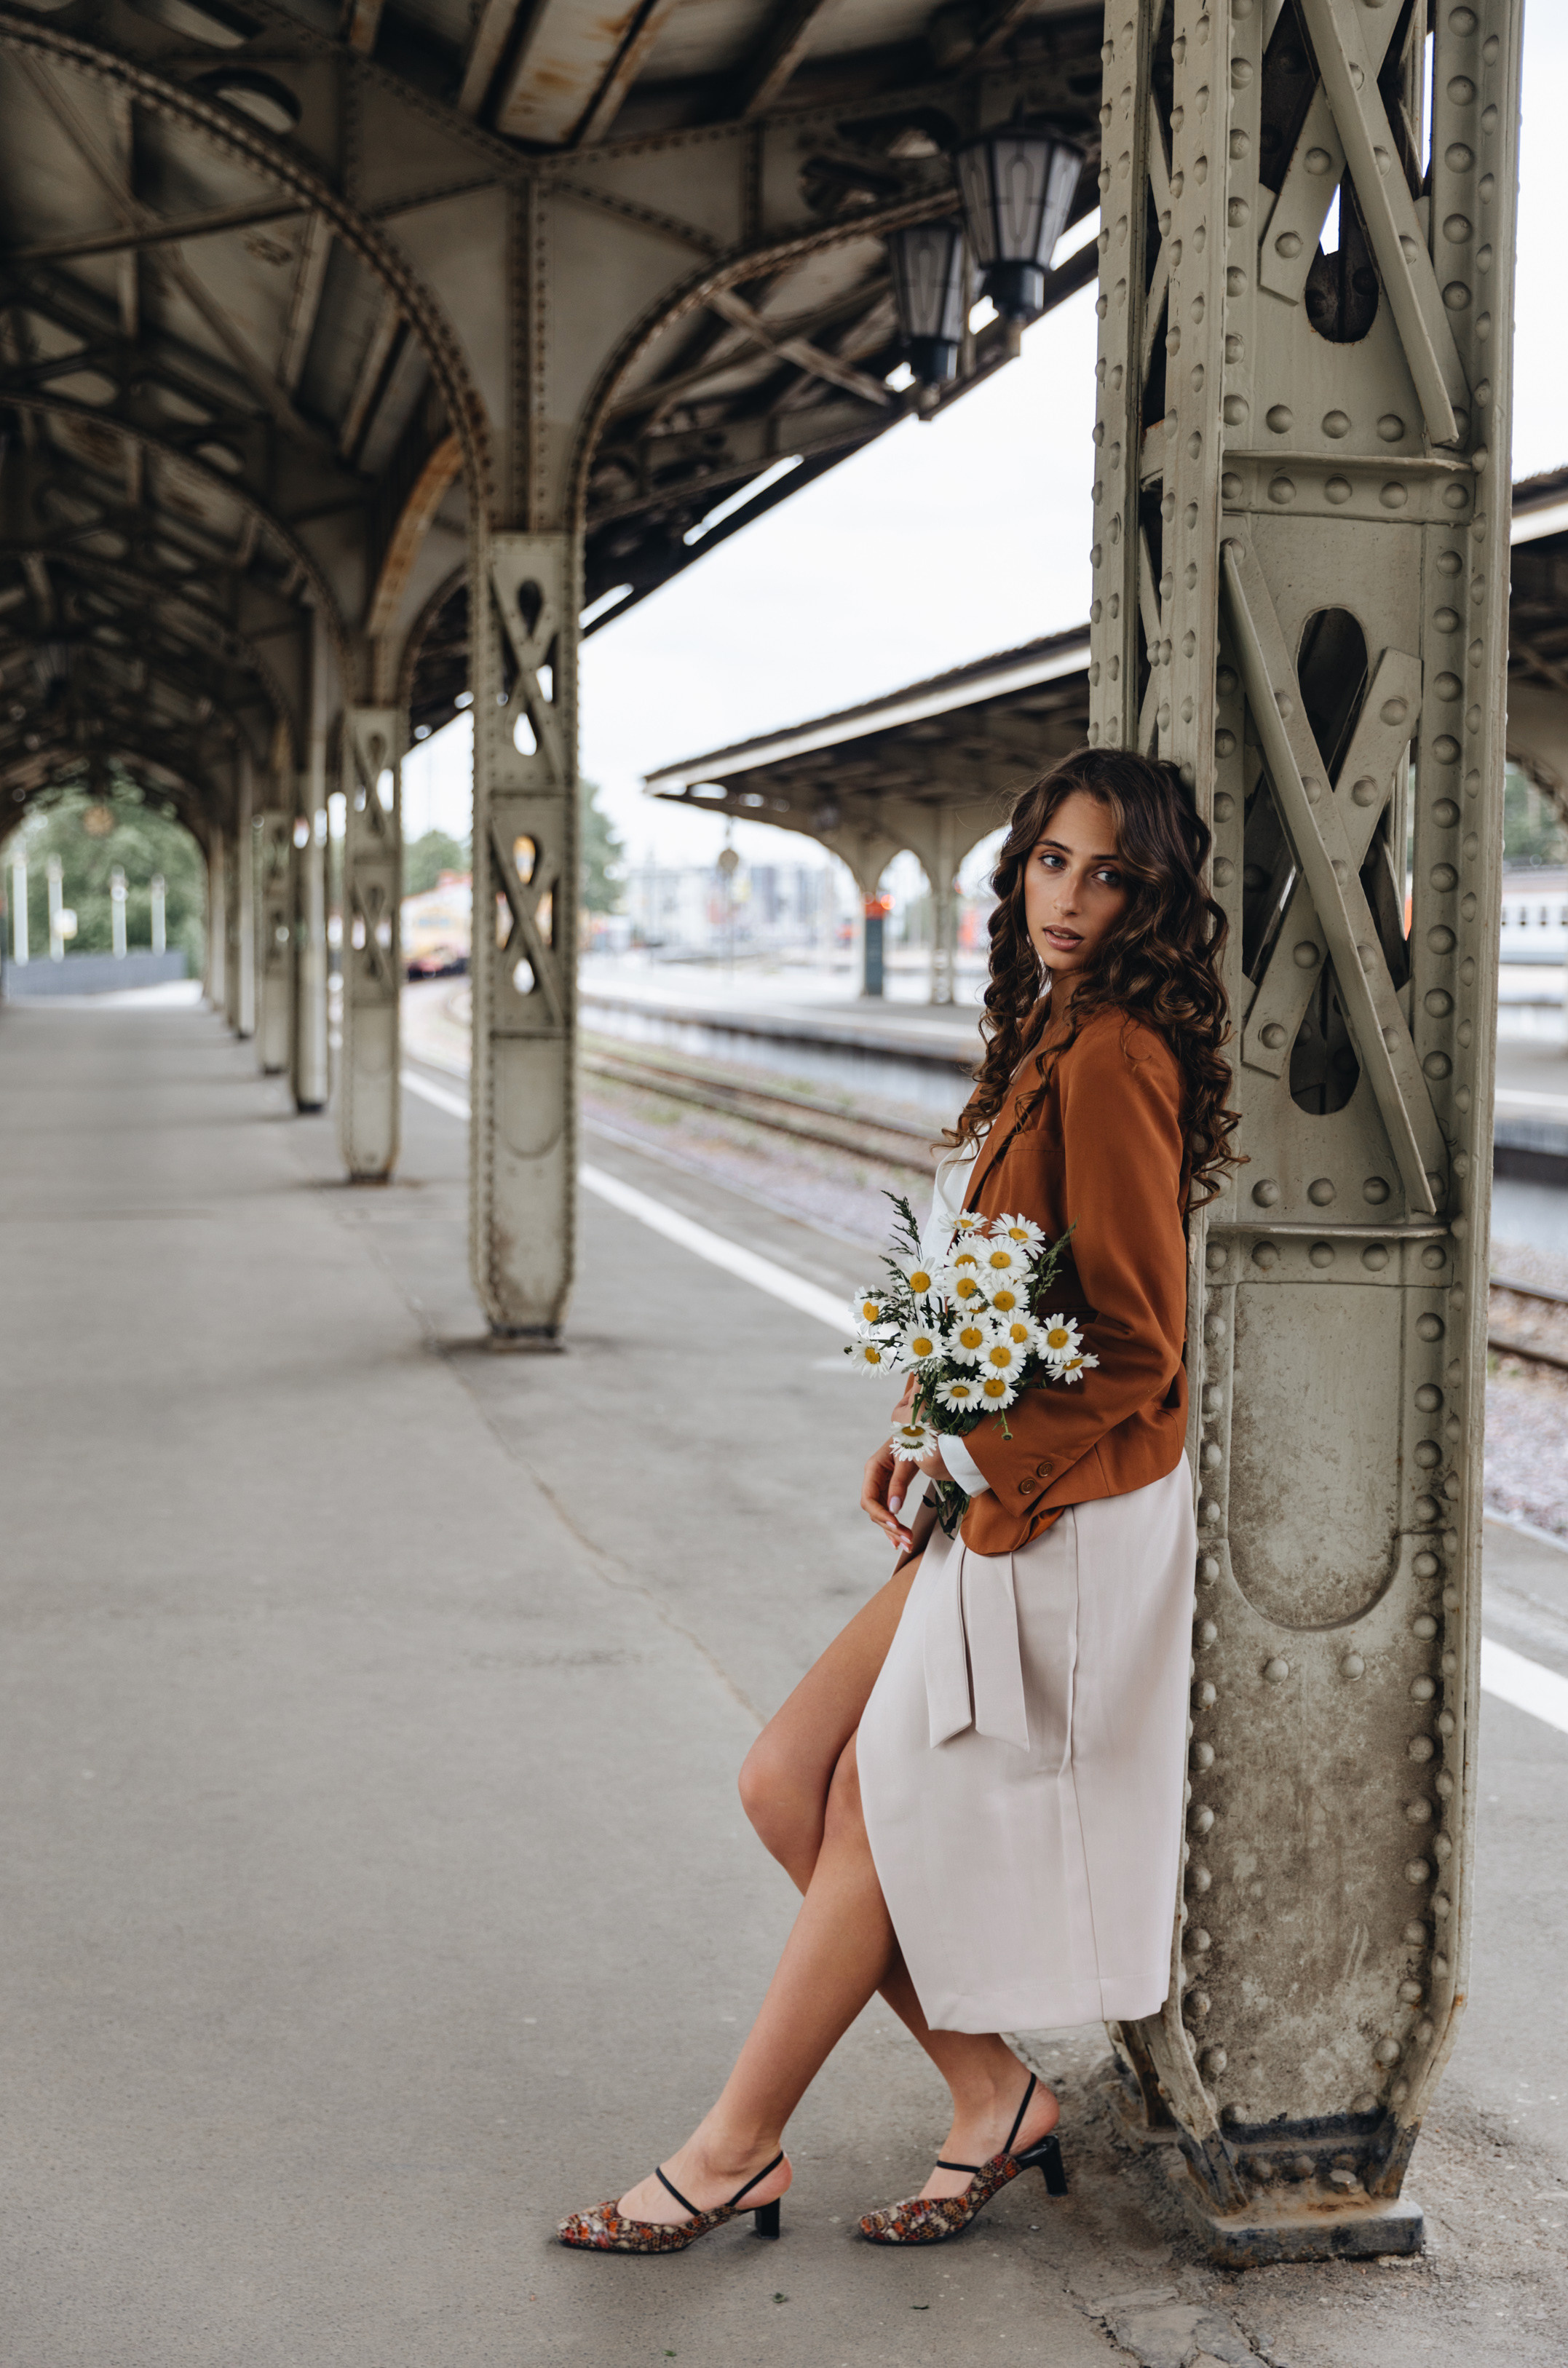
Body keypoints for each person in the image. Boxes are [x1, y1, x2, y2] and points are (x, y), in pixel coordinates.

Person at [557, 748, 1238, 2254]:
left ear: (1154, 895)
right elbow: (1010, 1285)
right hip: (995, 1485)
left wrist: (980, 1457)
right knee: (781, 1780)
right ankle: (988, 2090)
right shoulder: (1051, 1030)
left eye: (1109, 873)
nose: (1070, 897)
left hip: (1063, 1515)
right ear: (1019, 874)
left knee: (860, 1799)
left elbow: (1136, 1342)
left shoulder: (1119, 1049)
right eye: (1051, 863)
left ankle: (733, 2147)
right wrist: (923, 1419)